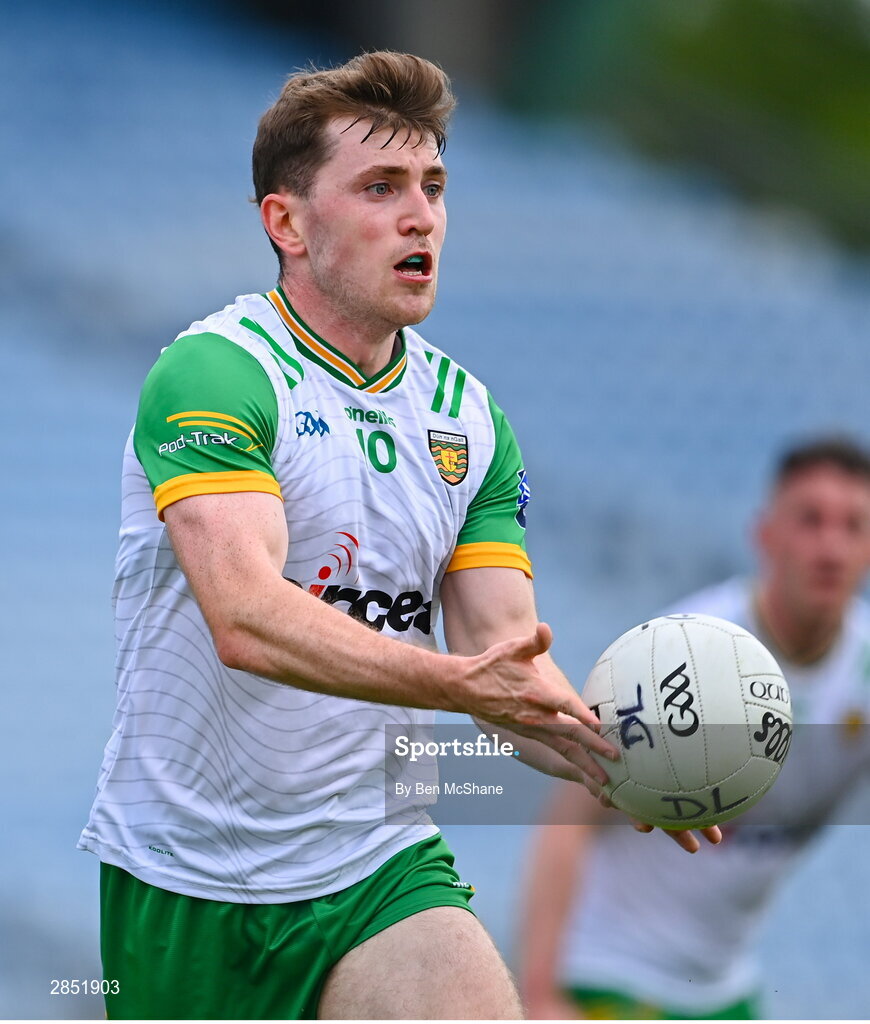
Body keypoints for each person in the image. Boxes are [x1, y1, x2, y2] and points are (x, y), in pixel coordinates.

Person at [77, 51, 720, 1021]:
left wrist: (617, 755)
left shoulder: (468, 419)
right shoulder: (216, 374)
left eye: (433, 186)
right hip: (184, 880)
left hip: (373, 863)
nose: (421, 215)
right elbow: (247, 617)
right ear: (285, 222)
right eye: (380, 187)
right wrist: (455, 685)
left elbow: (506, 659)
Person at [519, 436, 870, 1020]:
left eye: (853, 525)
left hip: (726, 988)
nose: (830, 546)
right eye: (810, 521)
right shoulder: (681, 659)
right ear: (766, 535)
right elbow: (571, 810)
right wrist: (540, 994)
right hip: (610, 976)